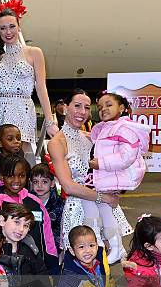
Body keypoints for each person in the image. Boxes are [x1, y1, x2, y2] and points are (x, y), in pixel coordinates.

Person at [47, 89, 131, 252]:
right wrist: (104, 197)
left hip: (104, 206)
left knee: (108, 258)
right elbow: (69, 187)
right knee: (82, 269)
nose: (82, 112)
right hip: (79, 211)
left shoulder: (91, 137)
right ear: (65, 108)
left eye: (87, 107)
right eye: (77, 106)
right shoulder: (57, 143)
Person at [86, 92, 150, 263]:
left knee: (104, 210)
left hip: (114, 176)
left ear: (121, 108)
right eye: (99, 107)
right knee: (99, 210)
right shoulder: (106, 127)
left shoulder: (124, 129)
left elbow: (126, 156)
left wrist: (101, 163)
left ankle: (116, 246)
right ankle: (108, 244)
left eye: (108, 105)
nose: (103, 109)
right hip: (106, 177)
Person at [0, 8, 59, 155]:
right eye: (3, 28)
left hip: (23, 109)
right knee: (3, 156)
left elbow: (41, 87)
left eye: (12, 26)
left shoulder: (34, 52)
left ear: (19, 27)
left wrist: (49, 121)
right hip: (1, 110)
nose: (8, 32)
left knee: (21, 155)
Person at [0, 155, 58, 272]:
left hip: (36, 266)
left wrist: (52, 262)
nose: (16, 180)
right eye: (11, 176)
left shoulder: (35, 202)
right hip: (2, 268)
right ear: (2, 177)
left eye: (21, 176)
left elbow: (47, 234)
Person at [30, 162, 64, 254]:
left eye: (44, 182)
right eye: (35, 182)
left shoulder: (59, 204)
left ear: (52, 183)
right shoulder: (27, 203)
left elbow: (61, 232)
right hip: (31, 248)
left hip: (52, 249)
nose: (39, 186)